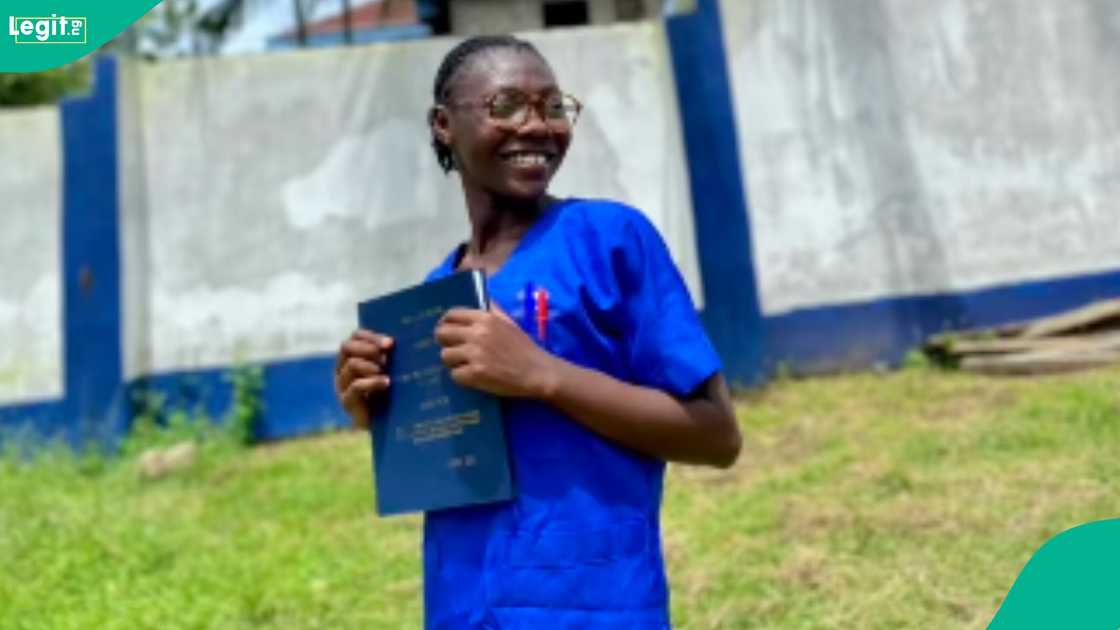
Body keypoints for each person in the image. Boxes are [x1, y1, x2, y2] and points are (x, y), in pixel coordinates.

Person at [334, 35, 741, 629]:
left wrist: (543, 375)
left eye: (554, 106)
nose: (538, 125)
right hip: (464, 603)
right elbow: (445, 462)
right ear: (445, 124)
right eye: (507, 106)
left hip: (593, 601)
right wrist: (373, 405)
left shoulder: (609, 239)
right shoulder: (434, 294)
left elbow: (716, 436)